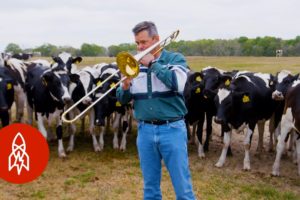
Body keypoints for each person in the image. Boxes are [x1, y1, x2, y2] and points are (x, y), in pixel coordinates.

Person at [116, 21, 196, 200]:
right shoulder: (134, 66)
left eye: (143, 42)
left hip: (172, 129)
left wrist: (152, 64)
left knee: (182, 187)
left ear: (157, 39)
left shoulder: (175, 59)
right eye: (137, 43)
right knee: (150, 187)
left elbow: (177, 84)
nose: (139, 47)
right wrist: (126, 84)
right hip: (145, 131)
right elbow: (122, 99)